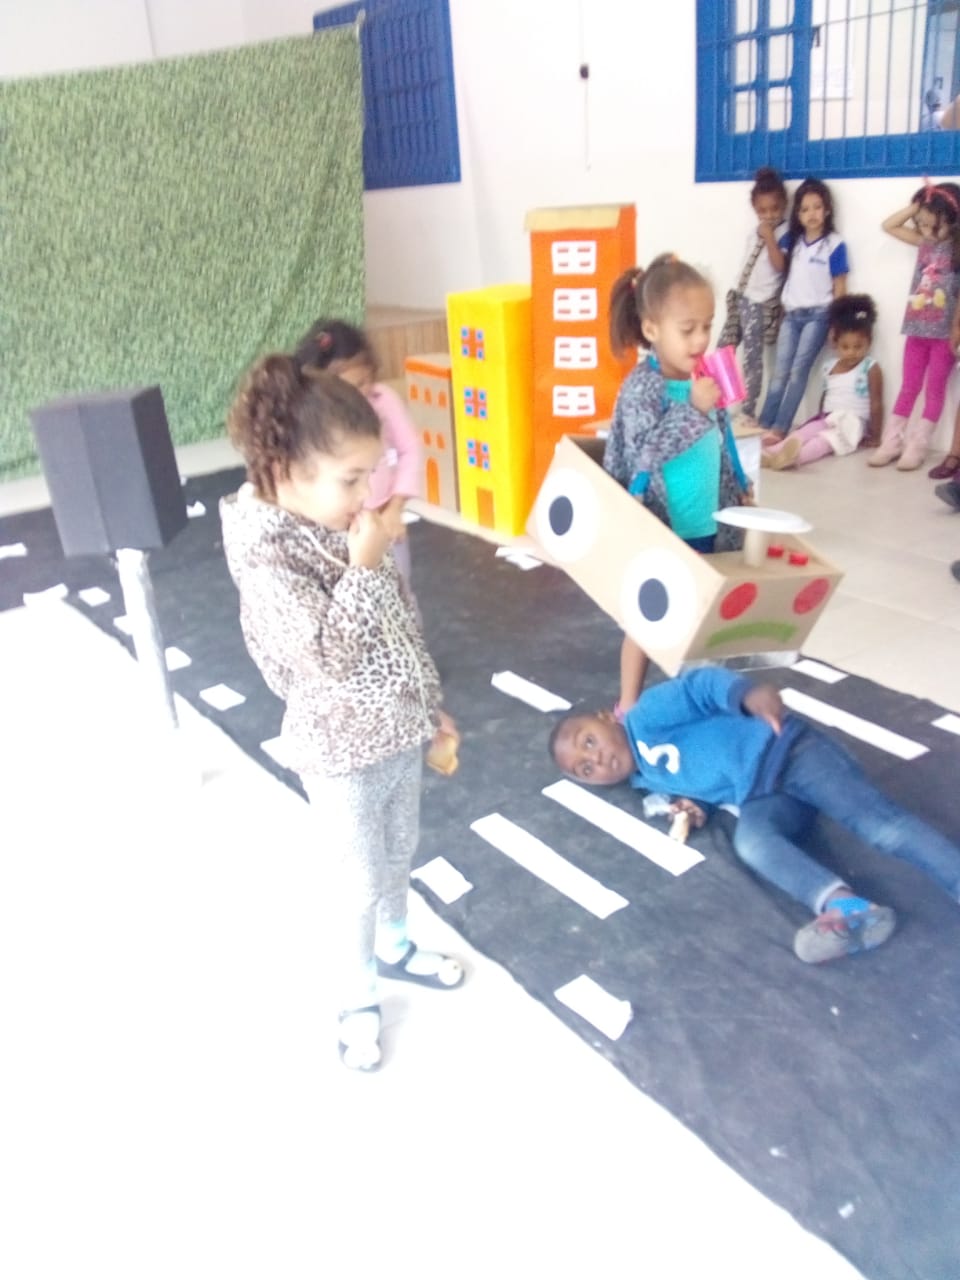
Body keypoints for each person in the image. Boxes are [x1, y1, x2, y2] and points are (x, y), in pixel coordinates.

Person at [220, 357, 463, 1073]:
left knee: (398, 850)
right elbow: (329, 656)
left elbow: (398, 627)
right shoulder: (268, 560)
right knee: (355, 881)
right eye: (351, 479)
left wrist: (430, 705)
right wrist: (362, 564)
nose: (368, 494)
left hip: (397, 731)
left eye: (370, 475)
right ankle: (356, 996)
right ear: (285, 471)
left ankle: (395, 946)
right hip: (339, 753)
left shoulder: (340, 521)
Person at [549, 667, 960, 963]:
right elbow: (704, 773)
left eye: (589, 741)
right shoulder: (646, 780)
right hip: (762, 793)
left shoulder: (646, 717)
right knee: (752, 842)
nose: (596, 759)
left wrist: (745, 695)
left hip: (790, 751)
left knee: (879, 827)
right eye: (586, 768)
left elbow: (699, 686)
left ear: (608, 718)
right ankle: (850, 909)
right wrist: (698, 805)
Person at [604, 255, 752, 712]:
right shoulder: (641, 388)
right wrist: (693, 408)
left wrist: (740, 481)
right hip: (663, 526)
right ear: (651, 329)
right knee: (647, 619)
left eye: (707, 326)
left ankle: (700, 698)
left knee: (702, 614)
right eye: (687, 329)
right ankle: (629, 705)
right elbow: (644, 453)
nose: (701, 340)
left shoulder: (702, 377)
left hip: (707, 518)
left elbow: (721, 435)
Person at [293, 319, 422, 596]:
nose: (358, 394)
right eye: (346, 388)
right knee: (352, 592)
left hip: (384, 520)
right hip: (336, 527)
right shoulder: (315, 419)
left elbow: (410, 450)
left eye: (364, 382)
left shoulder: (383, 400)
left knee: (399, 591)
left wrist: (394, 509)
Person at [869, 180, 960, 470]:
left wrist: (956, 329)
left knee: (934, 390)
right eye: (922, 225)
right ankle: (891, 442)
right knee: (909, 386)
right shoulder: (924, 243)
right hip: (916, 329)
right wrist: (918, 206)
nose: (927, 232)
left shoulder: (956, 250)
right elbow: (889, 225)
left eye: (934, 226)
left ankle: (918, 445)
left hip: (943, 334)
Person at [758, 178, 849, 443]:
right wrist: (769, 238)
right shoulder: (793, 240)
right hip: (791, 316)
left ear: (827, 210)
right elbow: (779, 266)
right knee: (780, 372)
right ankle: (763, 424)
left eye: (817, 207)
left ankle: (780, 428)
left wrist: (837, 325)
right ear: (797, 213)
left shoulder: (834, 243)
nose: (812, 214)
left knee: (798, 372)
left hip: (819, 316)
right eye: (805, 209)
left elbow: (840, 285)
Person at [761, 293, 883, 469]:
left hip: (853, 422)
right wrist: (819, 417)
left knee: (824, 441)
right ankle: (772, 452)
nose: (851, 352)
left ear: (868, 343)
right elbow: (825, 396)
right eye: (845, 347)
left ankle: (795, 457)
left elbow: (876, 403)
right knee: (805, 432)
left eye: (858, 346)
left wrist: (875, 435)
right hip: (828, 417)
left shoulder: (870, 367)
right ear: (835, 344)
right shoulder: (829, 367)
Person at [718, 166, 788, 421]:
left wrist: (769, 238)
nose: (769, 216)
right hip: (740, 297)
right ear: (755, 209)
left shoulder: (784, 232)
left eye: (774, 209)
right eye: (762, 211)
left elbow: (780, 265)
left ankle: (748, 411)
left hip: (759, 302)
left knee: (752, 357)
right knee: (722, 349)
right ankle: (721, 404)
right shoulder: (753, 232)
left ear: (784, 206)